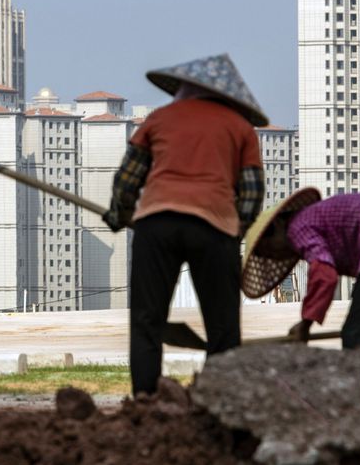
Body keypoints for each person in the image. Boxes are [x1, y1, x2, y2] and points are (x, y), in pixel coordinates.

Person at [102, 52, 268, 397]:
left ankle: (145, 398)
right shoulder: (240, 127)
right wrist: (235, 229)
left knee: (146, 321)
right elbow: (252, 191)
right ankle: (219, 399)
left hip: (157, 223)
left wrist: (119, 214)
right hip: (214, 227)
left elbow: (128, 178)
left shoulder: (159, 118)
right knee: (223, 326)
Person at [241, 187, 360, 358]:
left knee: (357, 338)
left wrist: (306, 323)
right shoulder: (312, 219)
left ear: (278, 226)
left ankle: (359, 380)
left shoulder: (297, 227)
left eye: (269, 250)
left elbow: (324, 275)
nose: (274, 256)